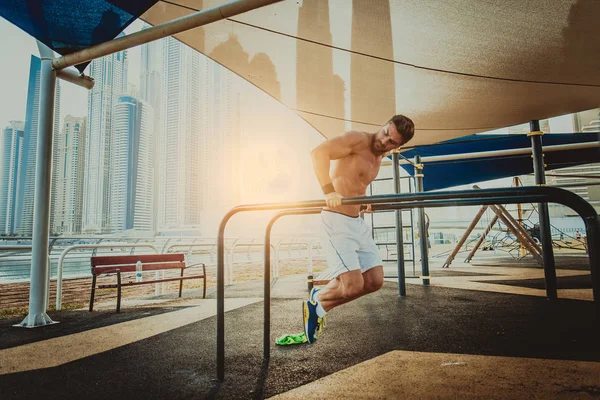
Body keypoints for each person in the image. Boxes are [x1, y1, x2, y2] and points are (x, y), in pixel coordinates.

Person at [304, 114, 415, 343]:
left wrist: (364, 201)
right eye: (386, 133)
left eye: (392, 142)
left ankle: (318, 303)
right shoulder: (357, 140)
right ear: (383, 125)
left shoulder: (379, 157)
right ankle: (319, 302)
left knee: (375, 281)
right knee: (353, 286)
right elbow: (318, 153)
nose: (384, 142)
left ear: (398, 146)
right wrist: (328, 191)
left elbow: (355, 183)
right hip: (336, 220)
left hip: (357, 223)